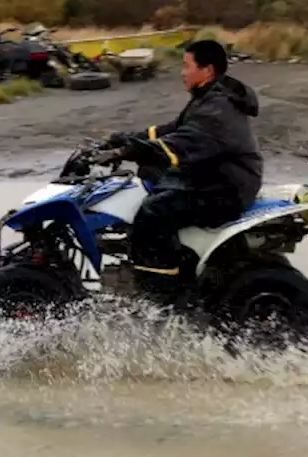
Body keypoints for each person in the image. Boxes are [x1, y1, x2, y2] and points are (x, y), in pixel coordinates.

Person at [106, 39, 263, 307]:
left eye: (187, 66)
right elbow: (173, 129)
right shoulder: (210, 96)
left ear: (208, 70)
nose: (182, 72)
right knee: (148, 173)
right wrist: (128, 139)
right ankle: (173, 256)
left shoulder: (217, 107)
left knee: (152, 213)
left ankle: (160, 297)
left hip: (226, 187)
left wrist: (133, 149)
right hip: (215, 173)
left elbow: (183, 142)